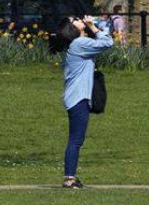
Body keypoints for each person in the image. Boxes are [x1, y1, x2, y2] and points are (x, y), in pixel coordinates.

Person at [56, 14, 114, 189]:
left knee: (76, 139)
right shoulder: (79, 45)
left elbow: (102, 37)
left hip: (75, 97)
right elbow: (107, 43)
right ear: (71, 28)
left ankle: (70, 177)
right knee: (76, 140)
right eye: (75, 20)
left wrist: (94, 25)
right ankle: (69, 179)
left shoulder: (77, 45)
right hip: (78, 98)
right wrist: (93, 26)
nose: (79, 19)